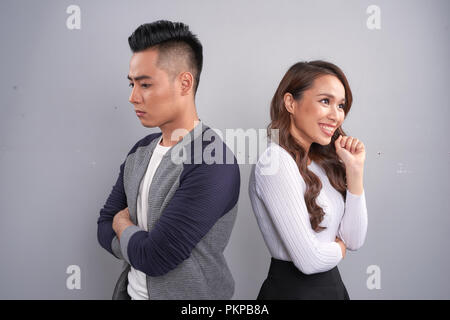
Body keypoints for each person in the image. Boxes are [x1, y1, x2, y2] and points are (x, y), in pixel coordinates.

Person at [97, 20, 240, 300]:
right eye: (132, 84)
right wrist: (139, 245)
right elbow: (103, 225)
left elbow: (157, 258)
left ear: (184, 83)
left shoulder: (213, 160)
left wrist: (123, 227)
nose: (132, 97)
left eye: (145, 84)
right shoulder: (140, 152)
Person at [248, 60, 368, 300]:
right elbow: (308, 261)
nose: (336, 115)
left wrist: (355, 171)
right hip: (294, 292)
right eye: (325, 101)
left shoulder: (323, 163)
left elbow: (355, 239)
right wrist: (339, 248)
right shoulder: (276, 162)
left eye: (341, 105)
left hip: (333, 289)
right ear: (291, 103)